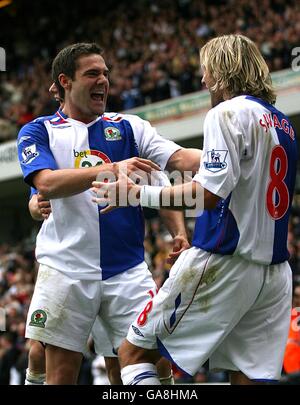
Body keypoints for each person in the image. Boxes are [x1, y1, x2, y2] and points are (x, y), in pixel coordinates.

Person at [94, 34, 298, 385]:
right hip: (275, 273)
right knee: (250, 377)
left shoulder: (225, 113)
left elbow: (207, 195)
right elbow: (217, 169)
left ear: (220, 71)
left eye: (206, 71)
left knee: (133, 353)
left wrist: (137, 194)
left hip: (224, 260)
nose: (203, 80)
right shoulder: (282, 123)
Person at [17, 42, 201, 384]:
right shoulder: (38, 130)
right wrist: (112, 169)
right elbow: (45, 183)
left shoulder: (131, 127)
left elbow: (170, 169)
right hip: (66, 268)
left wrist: (179, 231)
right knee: (59, 372)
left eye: (105, 73)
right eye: (92, 74)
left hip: (128, 270)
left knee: (152, 366)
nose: (103, 80)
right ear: (65, 81)